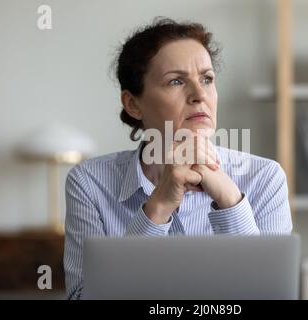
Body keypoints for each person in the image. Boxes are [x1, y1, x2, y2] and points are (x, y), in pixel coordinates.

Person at [64, 17, 292, 300]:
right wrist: (157, 208)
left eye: (207, 79)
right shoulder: (89, 183)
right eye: (175, 81)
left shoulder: (264, 178)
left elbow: (270, 296)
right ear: (133, 104)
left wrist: (230, 201)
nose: (199, 95)